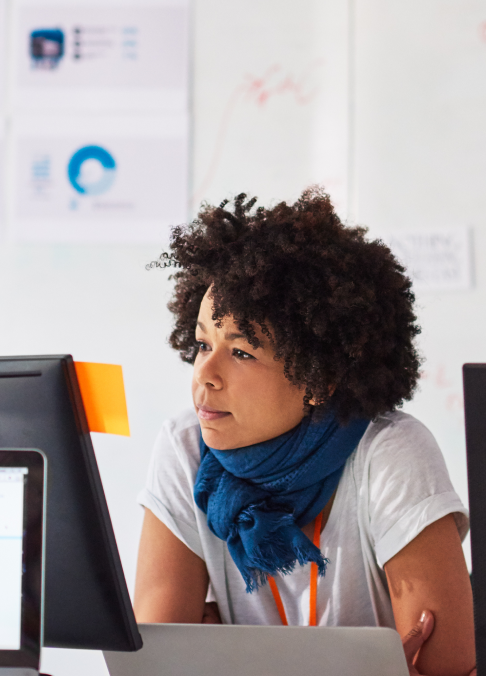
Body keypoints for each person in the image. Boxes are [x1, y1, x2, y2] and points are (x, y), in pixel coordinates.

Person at [135, 188, 476, 676]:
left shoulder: (391, 453)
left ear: (318, 379)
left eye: (242, 352)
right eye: (203, 344)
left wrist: (229, 661)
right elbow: (154, 668)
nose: (204, 374)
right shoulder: (185, 448)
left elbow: (446, 670)